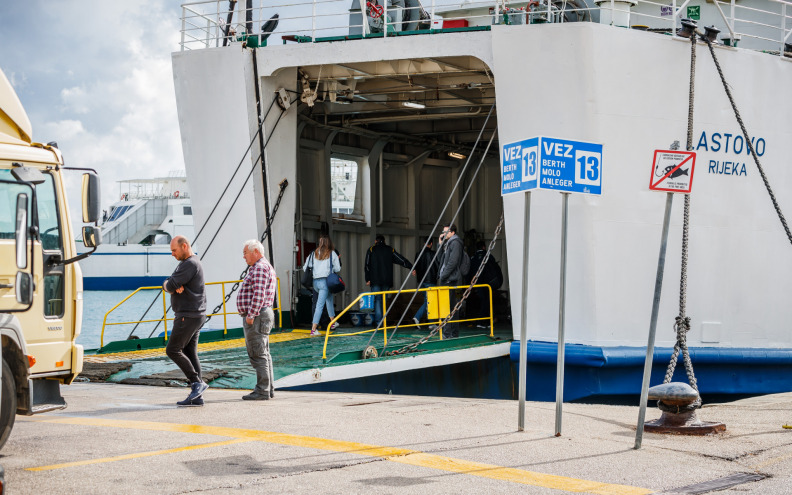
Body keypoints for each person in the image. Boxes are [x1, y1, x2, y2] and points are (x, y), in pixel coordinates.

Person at [163, 235, 208, 407]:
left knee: (173, 349)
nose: (172, 254)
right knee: (189, 352)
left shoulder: (190, 264)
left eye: (174, 250)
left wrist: (170, 285)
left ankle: (197, 383)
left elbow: (170, 283)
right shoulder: (188, 263)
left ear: (184, 246)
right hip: (195, 314)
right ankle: (197, 396)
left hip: (187, 315)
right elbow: (169, 283)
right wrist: (169, 285)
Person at [237, 239, 277, 401]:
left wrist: (251, 315)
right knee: (264, 353)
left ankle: (262, 390)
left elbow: (258, 294)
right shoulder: (263, 266)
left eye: (245, 253)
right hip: (262, 314)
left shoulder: (259, 268)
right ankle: (269, 389)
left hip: (258, 315)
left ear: (255, 252)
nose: (244, 257)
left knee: (258, 354)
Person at [364, 234, 412, 326]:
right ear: (384, 241)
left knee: (378, 300)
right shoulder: (390, 250)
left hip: (375, 280)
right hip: (387, 280)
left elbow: (367, 265)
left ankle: (379, 323)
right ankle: (384, 321)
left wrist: (368, 278)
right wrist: (411, 266)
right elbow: (400, 259)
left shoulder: (371, 250)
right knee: (384, 300)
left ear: (375, 241)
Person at [306, 235, 341, 336]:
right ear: (329, 243)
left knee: (329, 300)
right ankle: (313, 329)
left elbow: (306, 267)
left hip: (315, 282)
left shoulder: (313, 253)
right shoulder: (332, 253)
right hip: (325, 282)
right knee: (319, 306)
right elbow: (338, 269)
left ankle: (333, 323)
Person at [437, 224, 465, 338]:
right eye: (443, 232)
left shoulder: (455, 243)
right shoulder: (448, 244)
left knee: (448, 307)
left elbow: (452, 262)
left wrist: (444, 276)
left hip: (450, 279)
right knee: (450, 306)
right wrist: (440, 244)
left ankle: (448, 334)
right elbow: (440, 260)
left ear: (453, 232)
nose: (444, 234)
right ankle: (451, 333)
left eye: (446, 231)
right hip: (448, 278)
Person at [468, 240, 503, 323]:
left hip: (477, 284)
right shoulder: (488, 256)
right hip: (488, 283)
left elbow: (469, 271)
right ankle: (484, 321)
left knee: (481, 301)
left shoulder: (473, 258)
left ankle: (480, 320)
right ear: (484, 247)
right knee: (486, 301)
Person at [411, 237, 438, 326]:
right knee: (430, 302)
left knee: (427, 301)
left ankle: (431, 323)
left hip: (421, 281)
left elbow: (415, 267)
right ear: (431, 244)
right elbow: (438, 266)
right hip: (431, 281)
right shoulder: (434, 254)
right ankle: (417, 317)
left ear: (424, 243)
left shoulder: (418, 253)